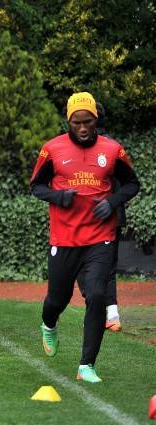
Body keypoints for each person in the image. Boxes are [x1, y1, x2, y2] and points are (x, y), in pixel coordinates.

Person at [30, 92, 139, 383]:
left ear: (95, 120)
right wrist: (58, 196)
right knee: (57, 299)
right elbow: (36, 186)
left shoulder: (113, 150)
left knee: (98, 295)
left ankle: (86, 366)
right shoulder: (51, 149)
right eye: (76, 122)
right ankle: (49, 325)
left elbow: (132, 184)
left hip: (100, 236)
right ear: (68, 121)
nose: (82, 128)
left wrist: (112, 202)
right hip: (64, 237)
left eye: (87, 122)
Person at [95, 102, 123, 332]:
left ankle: (104, 314)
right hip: (115, 215)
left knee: (90, 267)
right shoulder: (115, 147)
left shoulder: (95, 149)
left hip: (97, 219)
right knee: (108, 266)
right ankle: (112, 315)